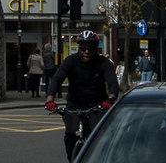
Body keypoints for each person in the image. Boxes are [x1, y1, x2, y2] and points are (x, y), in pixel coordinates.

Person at [46, 30, 119, 161]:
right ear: (79, 48)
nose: (86, 51)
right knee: (70, 134)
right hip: (75, 103)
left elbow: (113, 83)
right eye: (83, 48)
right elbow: (57, 80)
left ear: (96, 49)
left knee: (98, 135)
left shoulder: (104, 63)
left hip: (98, 104)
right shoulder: (70, 61)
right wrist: (50, 100)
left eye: (90, 49)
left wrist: (111, 99)